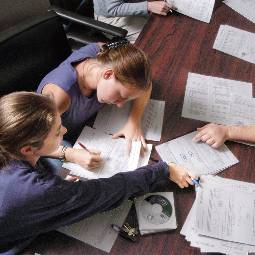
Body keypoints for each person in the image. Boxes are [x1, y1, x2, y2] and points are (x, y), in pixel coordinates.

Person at [0, 92, 196, 255]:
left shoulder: (8, 141)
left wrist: (64, 161)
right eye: (58, 131)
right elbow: (106, 192)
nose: (65, 130)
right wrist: (162, 170)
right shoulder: (34, 189)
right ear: (27, 149)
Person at [37, 40, 152, 170]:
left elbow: (145, 86)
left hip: (89, 127)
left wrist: (134, 121)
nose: (120, 105)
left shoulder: (107, 54)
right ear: (108, 74)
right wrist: (72, 155)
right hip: (56, 137)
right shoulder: (59, 96)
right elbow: (31, 143)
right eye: (120, 96)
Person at [93, 0, 177, 43]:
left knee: (171, 23)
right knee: (157, 38)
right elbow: (111, 8)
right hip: (113, 15)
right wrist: (148, 6)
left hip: (133, 2)